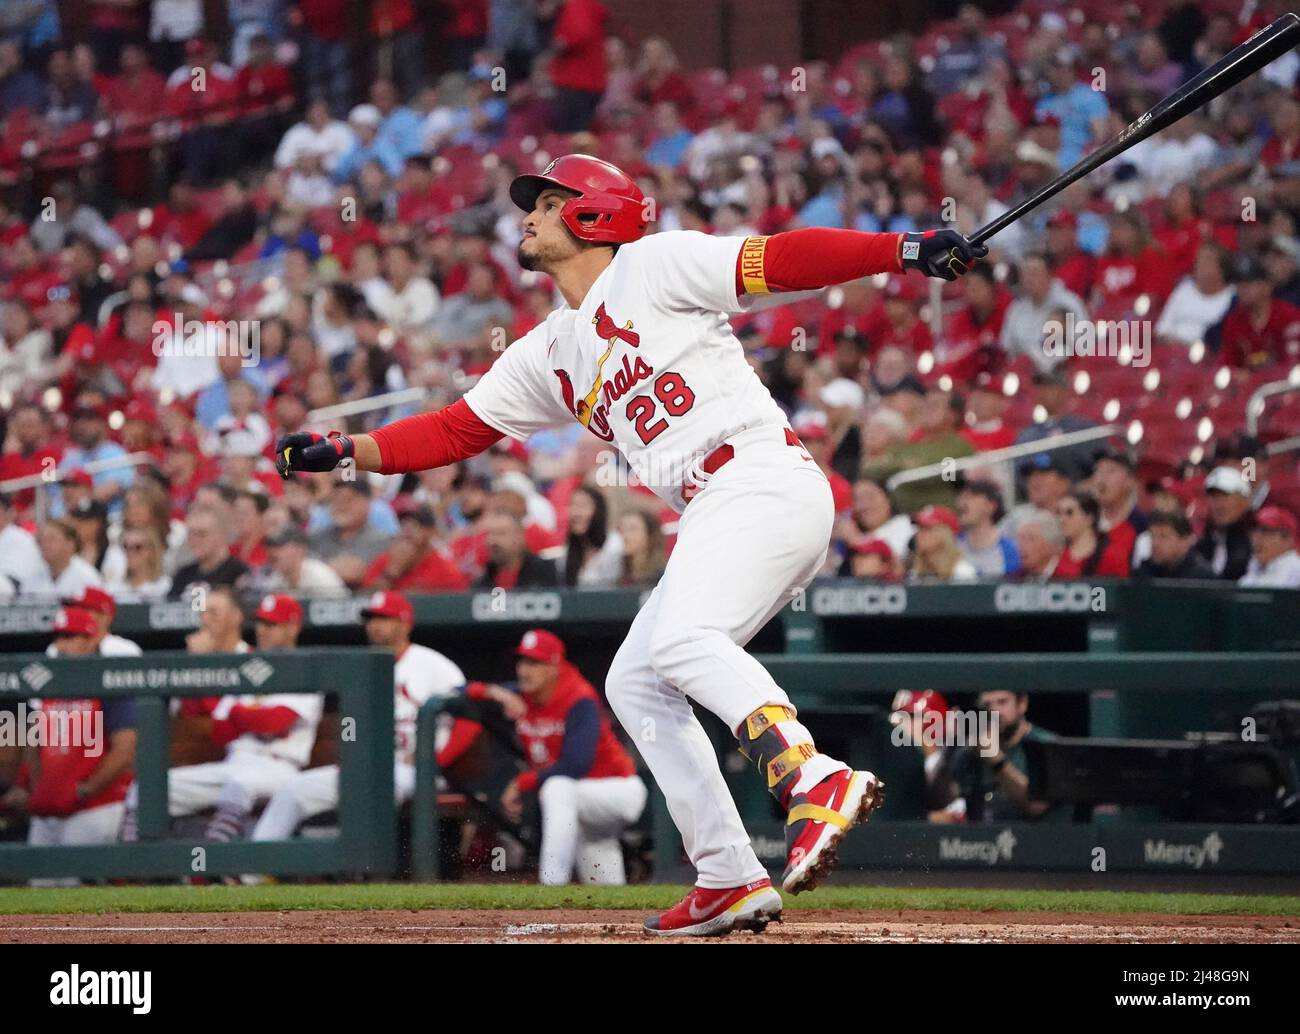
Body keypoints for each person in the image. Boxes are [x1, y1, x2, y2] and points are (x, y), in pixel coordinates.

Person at [273, 153, 985, 936]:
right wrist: (347, 449)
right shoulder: (550, 348)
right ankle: (727, 874)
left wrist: (904, 249)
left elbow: (780, 259)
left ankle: (809, 776)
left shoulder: (656, 263)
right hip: (716, 505)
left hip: (758, 476)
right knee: (636, 683)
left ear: (592, 213)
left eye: (545, 202)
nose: (529, 216)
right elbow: (452, 429)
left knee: (682, 640)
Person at [251, 591, 465, 844]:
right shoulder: (363, 668)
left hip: (415, 769)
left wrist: (431, 760)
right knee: (294, 789)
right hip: (370, 767)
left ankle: (365, 868)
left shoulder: (434, 666)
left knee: (378, 788)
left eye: (384, 619)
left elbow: (468, 718)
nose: (375, 626)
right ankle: (251, 871)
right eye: (371, 619)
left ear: (405, 623)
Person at [121, 592, 322, 843]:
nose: (263, 630)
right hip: (235, 762)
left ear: (293, 628)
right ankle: (134, 869)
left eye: (272, 625)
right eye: (261, 623)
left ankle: (218, 868)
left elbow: (272, 723)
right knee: (148, 789)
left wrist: (242, 715)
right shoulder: (248, 667)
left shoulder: (306, 670)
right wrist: (250, 716)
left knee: (238, 786)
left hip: (277, 766)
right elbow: (221, 730)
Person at [455, 629, 645, 885]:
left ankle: (551, 885)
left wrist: (521, 783)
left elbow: (576, 764)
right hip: (582, 798)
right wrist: (496, 693)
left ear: (554, 666)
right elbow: (458, 690)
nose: (524, 670)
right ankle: (612, 914)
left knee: (556, 789)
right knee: (600, 872)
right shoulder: (522, 694)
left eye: (535, 663)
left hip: (616, 789)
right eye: (522, 661)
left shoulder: (579, 697)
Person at [0, 608, 138, 881]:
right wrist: (40, 787)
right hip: (49, 808)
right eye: (58, 637)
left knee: (74, 887)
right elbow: (33, 740)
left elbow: (125, 748)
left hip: (94, 805)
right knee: (40, 892)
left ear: (90, 641)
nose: (61, 645)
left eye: (70, 636)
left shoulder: (108, 679)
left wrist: (86, 789)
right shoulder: (49, 684)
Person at [931, 690, 1056, 822]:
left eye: (1002, 702)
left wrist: (997, 761)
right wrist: (949, 747)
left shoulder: (1047, 745)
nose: (994, 711)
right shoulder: (971, 750)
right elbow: (938, 802)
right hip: (981, 839)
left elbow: (1036, 807)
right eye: (986, 705)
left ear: (1022, 704)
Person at [169, 506, 251, 599]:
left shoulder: (238, 573)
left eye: (202, 534)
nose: (194, 540)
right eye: (191, 534)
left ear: (221, 535)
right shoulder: (183, 575)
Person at [1194, 465, 1255, 580]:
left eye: (1225, 496)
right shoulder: (1205, 542)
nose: (1218, 505)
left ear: (1245, 500)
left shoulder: (1258, 540)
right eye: (1213, 497)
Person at [1052, 490, 1130, 578]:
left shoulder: (1112, 555)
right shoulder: (1056, 554)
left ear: (1089, 517)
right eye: (1058, 513)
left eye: (1069, 513)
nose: (1061, 520)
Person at [559, 484, 623, 587]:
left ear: (598, 510)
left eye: (582, 506)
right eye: (572, 505)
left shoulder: (614, 544)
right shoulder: (567, 550)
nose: (576, 513)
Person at [956, 479, 1020, 578]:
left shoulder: (1011, 551)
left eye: (971, 497)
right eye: (962, 497)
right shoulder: (952, 546)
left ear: (991, 506)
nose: (962, 502)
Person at [262, 524, 347, 596]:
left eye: (279, 546)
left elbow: (341, 609)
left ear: (300, 549)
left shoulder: (319, 577)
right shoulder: (276, 579)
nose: (272, 552)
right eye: (270, 547)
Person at [31, 518, 104, 598]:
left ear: (70, 543)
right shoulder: (32, 574)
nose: (44, 544)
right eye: (41, 540)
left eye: (51, 539)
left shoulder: (88, 577)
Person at [1135, 511, 1216, 579]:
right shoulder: (1145, 572)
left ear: (1185, 541)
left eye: (1163, 536)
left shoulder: (1202, 578)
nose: (1155, 543)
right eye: (1152, 536)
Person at [909, 504, 977, 582]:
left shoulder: (962, 571)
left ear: (945, 534)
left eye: (927, 529)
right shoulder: (915, 572)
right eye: (919, 529)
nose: (919, 535)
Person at [1239, 506, 1300, 588]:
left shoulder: (1296, 571)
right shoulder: (1253, 569)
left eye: (1265, 531)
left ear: (1288, 540)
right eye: (1253, 530)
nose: (1256, 538)